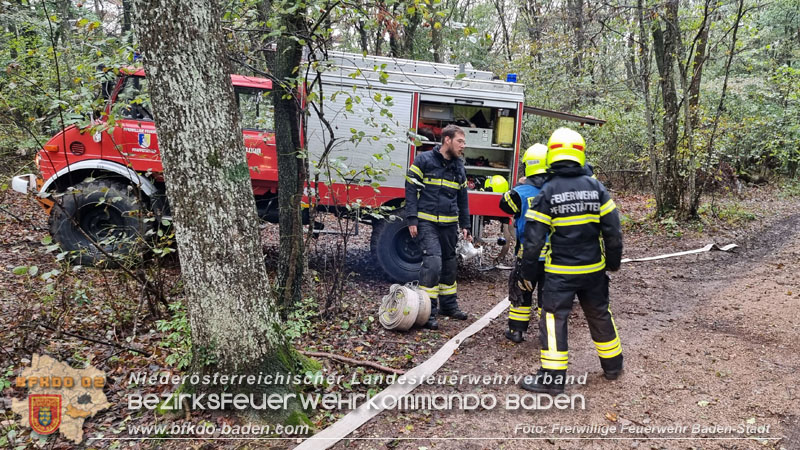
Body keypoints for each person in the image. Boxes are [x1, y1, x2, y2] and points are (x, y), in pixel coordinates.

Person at [518, 127, 623, 394]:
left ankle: (552, 380)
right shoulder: (596, 187)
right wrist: (612, 262)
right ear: (580, 153)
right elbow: (613, 230)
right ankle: (613, 366)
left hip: (560, 273)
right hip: (594, 271)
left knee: (554, 320)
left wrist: (528, 274)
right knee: (600, 313)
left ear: (551, 154)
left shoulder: (548, 192)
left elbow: (533, 241)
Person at [405, 124, 471, 330]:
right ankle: (427, 311)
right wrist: (412, 219)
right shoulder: (424, 160)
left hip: (450, 224)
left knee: (450, 266)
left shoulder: (459, 166)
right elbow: (410, 189)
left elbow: (463, 197)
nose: (463, 146)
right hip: (427, 222)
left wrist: (466, 224)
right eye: (460, 141)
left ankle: (449, 306)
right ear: (447, 140)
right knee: (433, 264)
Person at [499, 144, 549, 343]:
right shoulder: (555, 192)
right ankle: (548, 336)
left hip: (526, 256)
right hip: (552, 259)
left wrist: (520, 186)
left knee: (521, 291)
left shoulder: (519, 193)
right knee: (548, 299)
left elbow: (503, 205)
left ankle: (516, 331)